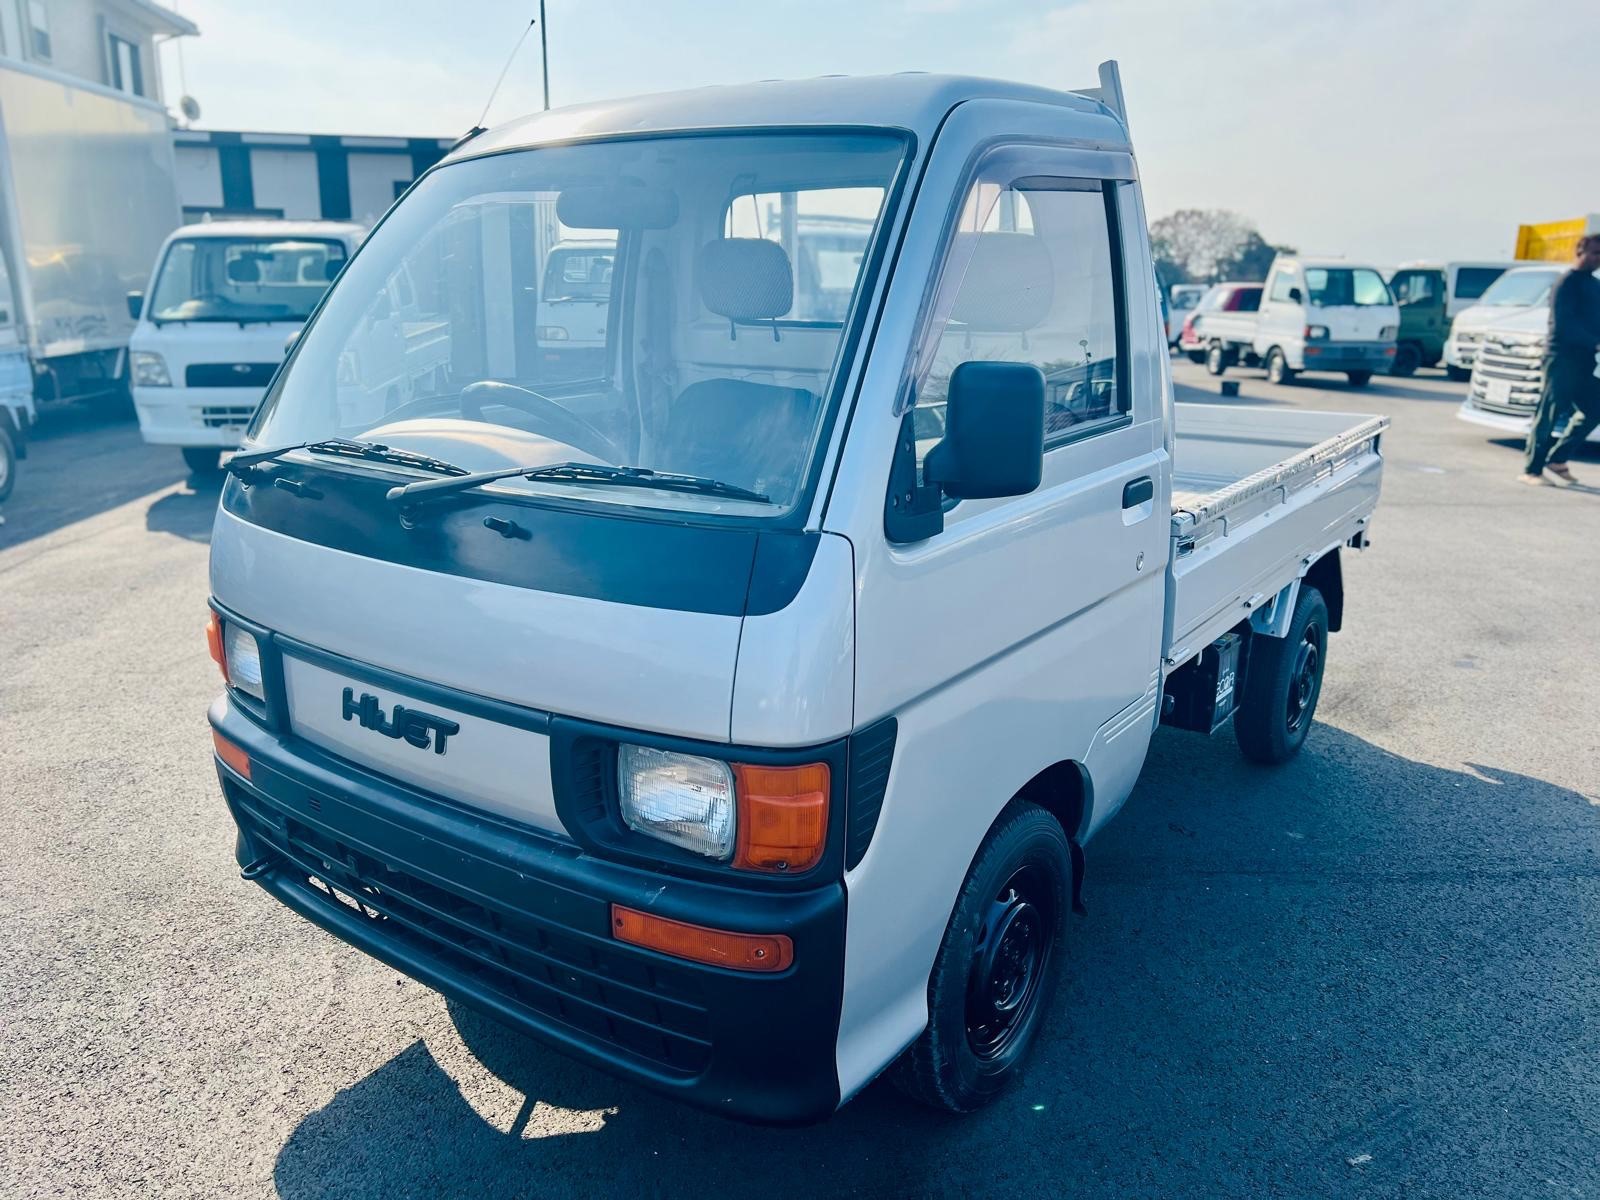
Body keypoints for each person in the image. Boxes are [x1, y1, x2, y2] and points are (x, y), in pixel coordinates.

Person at [1521, 235, 1600, 485]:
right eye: (1595, 253)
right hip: (1561, 359)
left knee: (1595, 409)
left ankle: (1558, 459)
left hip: (1585, 362)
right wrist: (1595, 342)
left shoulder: (1594, 285)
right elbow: (1563, 325)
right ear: (1580, 251)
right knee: (1550, 413)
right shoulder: (1565, 283)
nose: (1599, 259)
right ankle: (1531, 470)